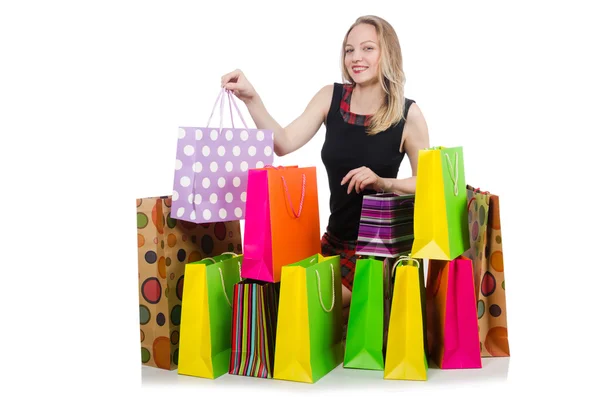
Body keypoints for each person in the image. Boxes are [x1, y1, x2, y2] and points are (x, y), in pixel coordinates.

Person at [221, 15, 430, 325]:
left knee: (303, 304)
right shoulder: (330, 97)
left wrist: (383, 182)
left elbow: (428, 182)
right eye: (349, 50)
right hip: (334, 242)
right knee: (280, 296)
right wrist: (251, 97)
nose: (356, 58)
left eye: (367, 48)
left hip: (378, 250)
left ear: (387, 53)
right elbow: (284, 142)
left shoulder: (406, 113)